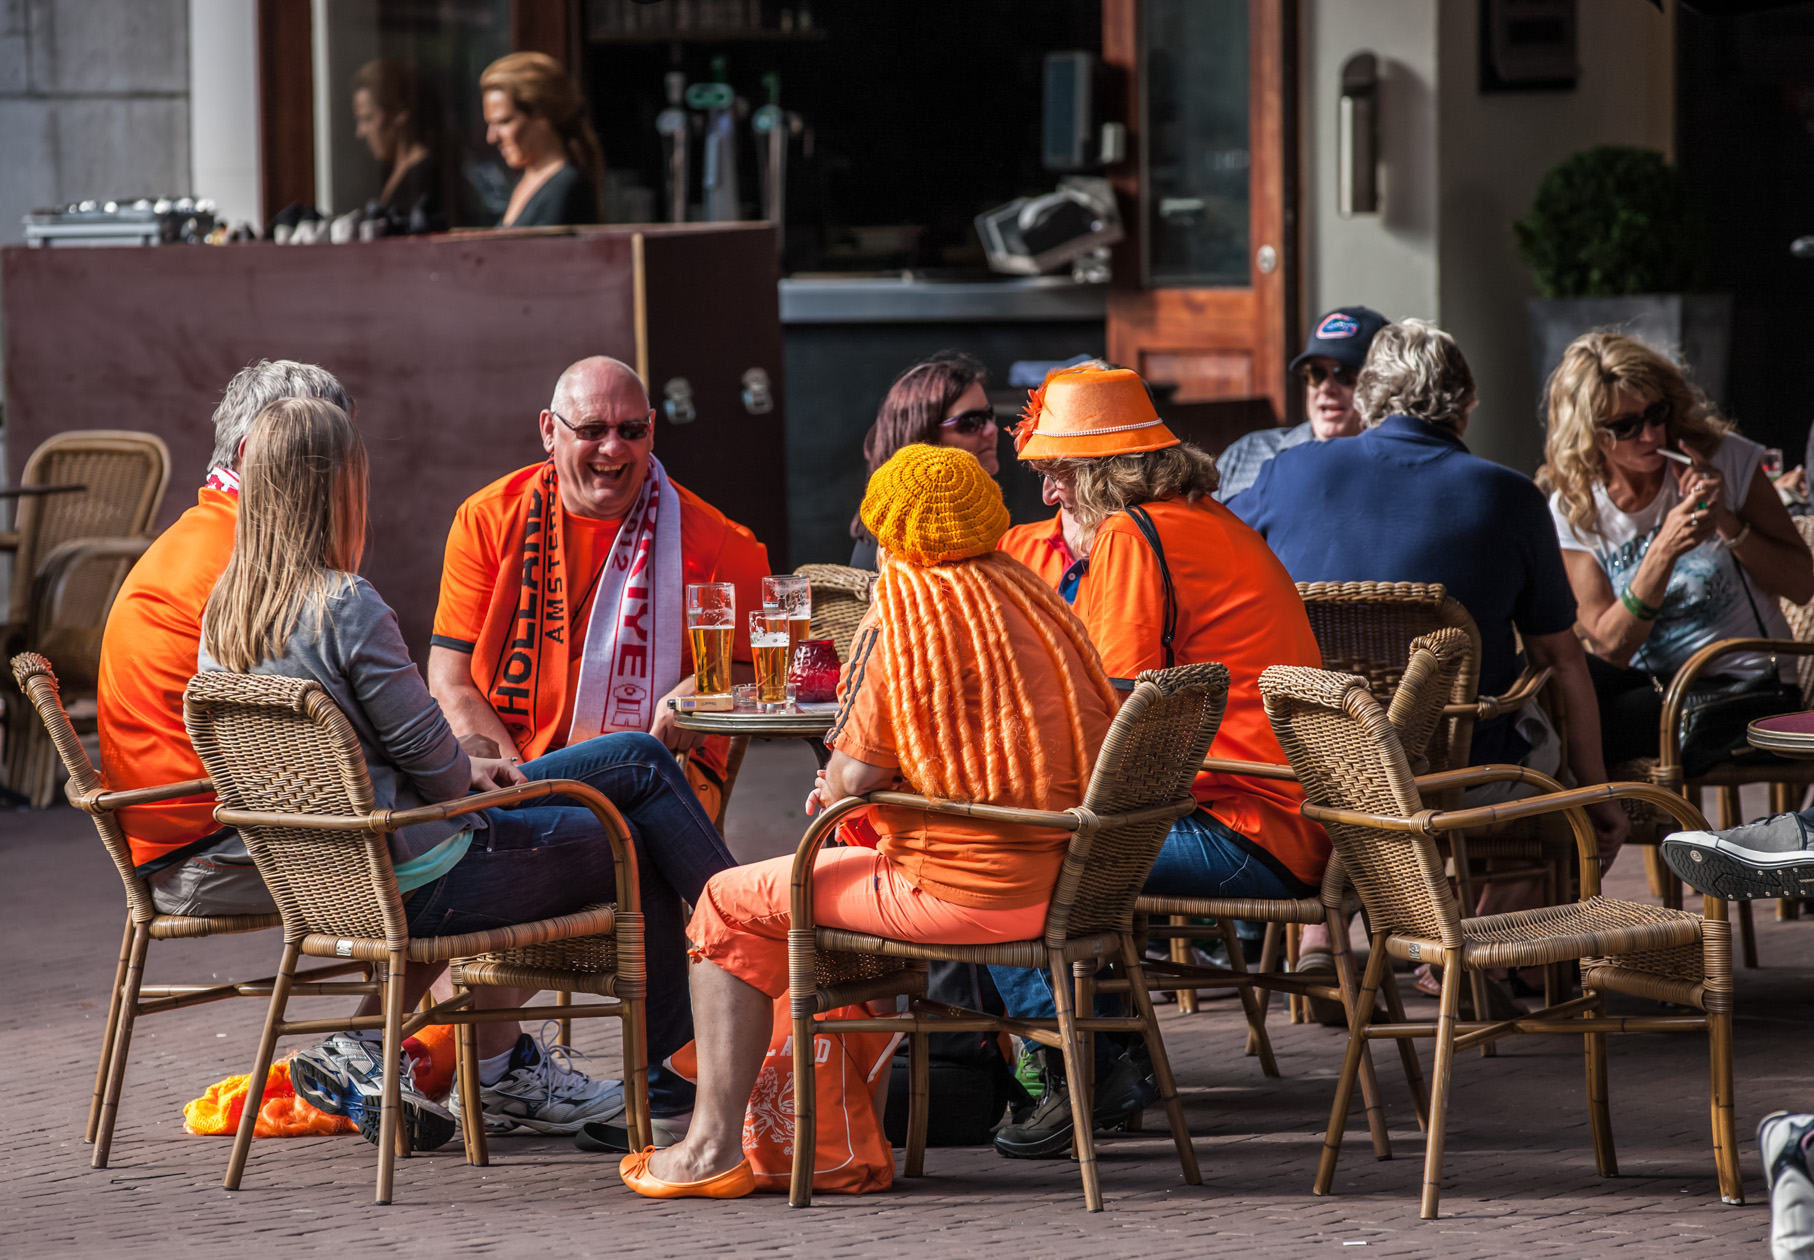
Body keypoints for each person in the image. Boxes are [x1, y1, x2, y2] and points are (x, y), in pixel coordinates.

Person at [200, 397, 737, 1152]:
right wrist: (467, 772)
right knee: (639, 829)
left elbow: (407, 757)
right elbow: (434, 763)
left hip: (328, 877)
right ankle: (715, 1017)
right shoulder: (345, 604)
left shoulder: (224, 614)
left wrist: (475, 768)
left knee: (636, 758)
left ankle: (663, 1053)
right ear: (335, 489)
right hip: (430, 871)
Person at [616, 443, 1118, 1200]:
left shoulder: (910, 617)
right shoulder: (1032, 599)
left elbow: (851, 781)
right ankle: (828, 1134)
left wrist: (848, 783)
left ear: (890, 534)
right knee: (797, 885)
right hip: (1067, 882)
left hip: (963, 893)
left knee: (724, 899)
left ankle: (710, 1147)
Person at [1233, 320, 1629, 1008]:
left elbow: (1228, 568)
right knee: (1558, 782)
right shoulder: (1507, 495)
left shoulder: (1288, 472)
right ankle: (1466, 952)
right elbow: (1561, 658)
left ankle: (1324, 938)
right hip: (1456, 773)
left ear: (1369, 398)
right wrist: (1596, 793)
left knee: (1358, 769)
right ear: (1466, 404)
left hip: (1310, 765)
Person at [989, 363, 1331, 1154]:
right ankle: (1107, 1056)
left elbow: (1111, 716)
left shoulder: (1133, 535)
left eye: (1058, 471)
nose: (1048, 493)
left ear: (1105, 469)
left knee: (997, 854)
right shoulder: (1199, 519)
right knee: (1034, 841)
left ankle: (1079, 1064)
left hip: (1243, 828)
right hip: (1282, 820)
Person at [426, 355, 769, 824]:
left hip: (659, 779)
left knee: (638, 761)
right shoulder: (486, 520)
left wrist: (706, 687)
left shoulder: (721, 542)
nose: (613, 447)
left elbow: (771, 673)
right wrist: (519, 790)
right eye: (591, 430)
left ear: (652, 430)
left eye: (631, 430)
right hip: (511, 771)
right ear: (549, 431)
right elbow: (450, 679)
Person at [97, 360, 352, 920]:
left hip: (173, 840)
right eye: (320, 456)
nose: (340, 479)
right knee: (466, 845)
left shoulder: (202, 534)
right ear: (252, 454)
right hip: (209, 851)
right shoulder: (245, 564)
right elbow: (314, 743)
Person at [1539, 331, 1813, 769]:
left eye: (1657, 413)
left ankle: (1581, 809)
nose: (1650, 434)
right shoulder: (1576, 508)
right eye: (1626, 426)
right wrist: (1663, 551)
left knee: (1580, 724)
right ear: (1590, 434)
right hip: (1655, 685)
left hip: (1746, 689)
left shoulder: (1725, 459)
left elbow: (1802, 585)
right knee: (1548, 680)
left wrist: (1725, 521)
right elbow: (1610, 648)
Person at [1212, 306, 1388, 501]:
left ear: (1384, 384)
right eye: (1315, 374)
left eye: (1344, 374)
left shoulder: (1395, 467)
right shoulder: (1248, 452)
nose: (1326, 387)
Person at [847, 351, 1000, 569]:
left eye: (989, 415)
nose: (992, 429)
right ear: (924, 437)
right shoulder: (897, 556)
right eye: (971, 422)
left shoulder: (972, 526)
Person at [480, 52, 601, 227]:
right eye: (490, 124)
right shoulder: (526, 179)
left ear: (541, 115)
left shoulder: (565, 185)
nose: (491, 137)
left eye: (504, 122)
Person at [351, 58, 447, 235]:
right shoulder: (393, 172)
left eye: (368, 118)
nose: (360, 132)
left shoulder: (423, 178)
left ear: (399, 113)